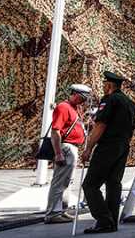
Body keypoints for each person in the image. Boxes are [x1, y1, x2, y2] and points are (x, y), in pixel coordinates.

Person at [81, 71, 135, 234]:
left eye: (104, 84)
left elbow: (100, 126)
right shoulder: (130, 103)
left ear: (110, 85)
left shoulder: (109, 100)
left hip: (108, 146)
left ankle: (103, 220)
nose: (103, 86)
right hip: (123, 146)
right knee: (113, 184)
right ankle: (112, 222)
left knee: (90, 185)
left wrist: (89, 148)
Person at [44, 84, 91, 224]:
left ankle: (61, 210)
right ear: (76, 94)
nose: (84, 102)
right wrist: (58, 153)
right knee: (59, 182)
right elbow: (55, 131)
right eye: (83, 98)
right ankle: (53, 213)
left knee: (67, 181)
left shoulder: (75, 108)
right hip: (66, 147)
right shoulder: (63, 107)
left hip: (72, 148)